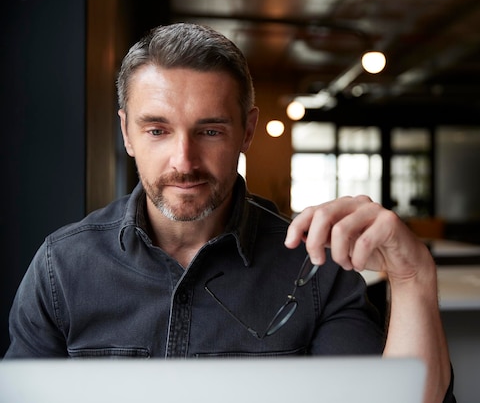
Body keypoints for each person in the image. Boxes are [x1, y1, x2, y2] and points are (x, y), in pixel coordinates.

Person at [5, 23, 454, 402]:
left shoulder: (315, 267)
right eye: (157, 130)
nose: (184, 161)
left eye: (211, 130)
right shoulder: (60, 268)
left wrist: (414, 275)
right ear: (127, 132)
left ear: (247, 132)